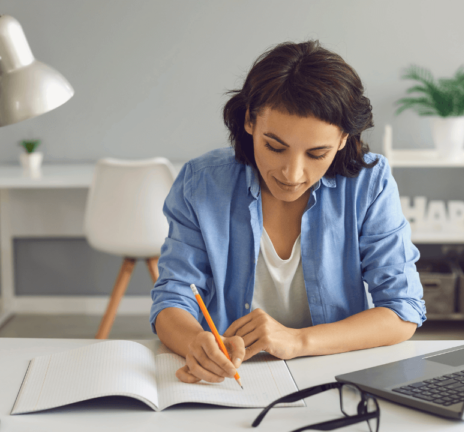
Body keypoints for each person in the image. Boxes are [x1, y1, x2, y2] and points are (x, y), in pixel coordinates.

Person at [150, 40, 426, 385]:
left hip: (335, 374)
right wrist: (195, 343)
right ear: (250, 120)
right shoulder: (201, 183)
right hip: (231, 380)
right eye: (274, 147)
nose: (292, 174)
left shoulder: (370, 182)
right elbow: (173, 296)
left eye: (317, 154)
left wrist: (296, 341)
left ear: (343, 139)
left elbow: (403, 311)